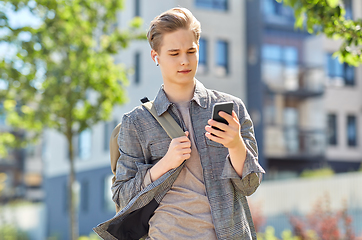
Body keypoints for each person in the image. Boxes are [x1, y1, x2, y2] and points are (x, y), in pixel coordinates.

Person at [93, 7, 265, 240]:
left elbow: (250, 186)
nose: (184, 61)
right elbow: (123, 197)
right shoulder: (136, 123)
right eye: (174, 53)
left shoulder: (231, 107)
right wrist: (164, 164)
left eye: (191, 51)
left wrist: (235, 145)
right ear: (156, 57)